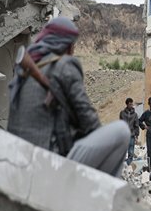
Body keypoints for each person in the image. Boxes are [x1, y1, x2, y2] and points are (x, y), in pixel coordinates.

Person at [7, 17, 129, 177]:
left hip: (17, 165)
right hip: (49, 165)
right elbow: (91, 124)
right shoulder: (64, 65)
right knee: (121, 131)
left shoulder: (22, 74)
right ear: (67, 45)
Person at [120, 98, 140, 166]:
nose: (131, 105)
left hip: (131, 135)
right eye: (129, 104)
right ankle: (122, 165)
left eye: (132, 104)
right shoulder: (122, 113)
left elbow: (136, 125)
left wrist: (136, 135)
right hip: (124, 135)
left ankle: (129, 165)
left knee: (131, 151)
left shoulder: (135, 114)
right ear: (127, 104)